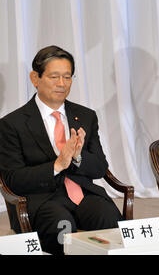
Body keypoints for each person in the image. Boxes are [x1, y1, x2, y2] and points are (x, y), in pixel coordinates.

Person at [0, 46, 122, 255]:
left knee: (108, 217)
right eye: (54, 76)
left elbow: (100, 168)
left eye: (67, 77)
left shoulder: (86, 116)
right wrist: (57, 165)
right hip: (41, 200)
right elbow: (13, 179)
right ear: (35, 78)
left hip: (83, 194)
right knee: (61, 227)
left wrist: (77, 157)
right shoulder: (12, 124)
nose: (61, 84)